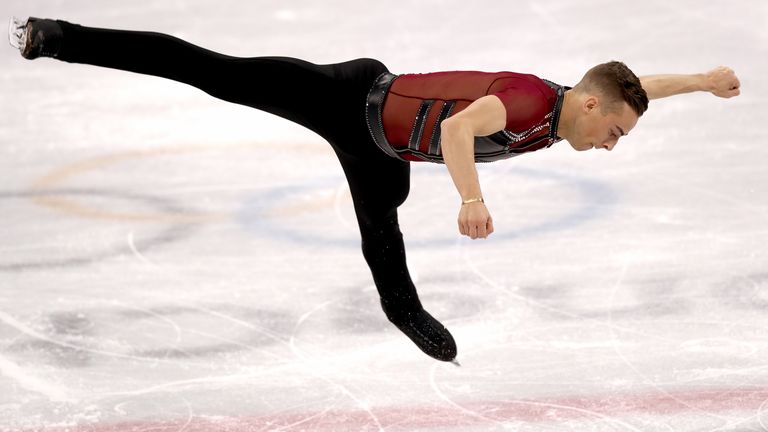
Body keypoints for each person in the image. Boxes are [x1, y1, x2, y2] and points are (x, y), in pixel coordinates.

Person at [9, 17, 741, 363]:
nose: (612, 147)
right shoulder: (524, 103)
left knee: (382, 217)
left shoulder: (573, 111)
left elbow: (636, 86)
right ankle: (63, 38)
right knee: (218, 72)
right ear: (588, 107)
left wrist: (702, 83)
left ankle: (401, 309)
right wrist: (469, 199)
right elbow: (457, 132)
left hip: (384, 145)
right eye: (615, 132)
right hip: (348, 100)